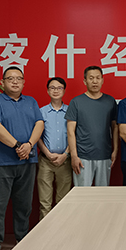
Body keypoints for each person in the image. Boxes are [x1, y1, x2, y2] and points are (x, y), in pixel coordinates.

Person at [0, 66, 44, 250]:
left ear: (24, 82)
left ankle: (22, 240)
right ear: (2, 82)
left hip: (27, 161)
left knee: (24, 204)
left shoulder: (31, 101)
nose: (15, 81)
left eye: (19, 78)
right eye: (10, 78)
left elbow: (39, 124)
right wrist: (18, 145)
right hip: (2, 162)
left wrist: (29, 145)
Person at [66, 66, 118, 187]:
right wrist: (74, 156)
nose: (95, 81)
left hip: (105, 155)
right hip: (83, 156)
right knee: (82, 194)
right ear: (85, 81)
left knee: (102, 194)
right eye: (91, 78)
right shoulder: (76, 102)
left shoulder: (110, 101)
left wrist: (115, 150)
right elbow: (70, 131)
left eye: (98, 78)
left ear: (102, 80)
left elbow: (115, 127)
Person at [37, 77, 72, 220]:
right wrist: (47, 153)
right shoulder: (41, 112)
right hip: (46, 161)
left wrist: (65, 154)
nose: (56, 90)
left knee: (63, 201)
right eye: (52, 88)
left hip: (65, 161)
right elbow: (37, 137)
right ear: (47, 90)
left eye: (59, 88)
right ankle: (45, 232)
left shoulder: (71, 111)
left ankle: (62, 230)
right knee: (44, 202)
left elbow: (75, 135)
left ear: (64, 90)